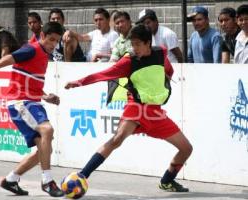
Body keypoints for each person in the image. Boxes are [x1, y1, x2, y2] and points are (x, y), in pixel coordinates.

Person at [65, 24, 193, 193]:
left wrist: (165, 82)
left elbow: (168, 70)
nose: (134, 48)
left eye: (138, 44)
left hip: (155, 113)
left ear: (148, 43)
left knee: (186, 149)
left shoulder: (161, 52)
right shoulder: (129, 60)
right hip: (136, 109)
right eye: (132, 44)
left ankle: (167, 181)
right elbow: (103, 74)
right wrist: (79, 82)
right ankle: (82, 175)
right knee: (116, 140)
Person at [0, 22, 64, 197]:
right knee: (47, 130)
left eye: (56, 42)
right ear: (42, 36)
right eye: (50, 40)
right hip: (19, 102)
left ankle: (11, 180)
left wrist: (45, 96)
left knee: (45, 149)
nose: (52, 44)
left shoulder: (42, 54)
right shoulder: (31, 50)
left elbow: (29, 82)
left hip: (32, 102)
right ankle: (47, 181)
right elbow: (3, 61)